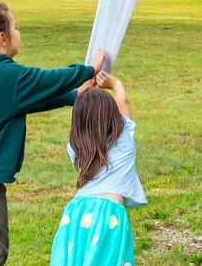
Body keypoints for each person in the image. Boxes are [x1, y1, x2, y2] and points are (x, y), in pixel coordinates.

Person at [0, 0, 104, 266]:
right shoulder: (6, 74)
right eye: (16, 27)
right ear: (2, 38)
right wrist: (89, 70)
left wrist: (74, 96)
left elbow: (30, 98)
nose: (20, 33)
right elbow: (46, 80)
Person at [50, 71, 147, 266]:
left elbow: (84, 121)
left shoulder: (76, 147)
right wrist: (115, 83)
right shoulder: (124, 140)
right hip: (107, 213)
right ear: (113, 115)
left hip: (75, 212)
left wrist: (83, 96)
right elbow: (123, 104)